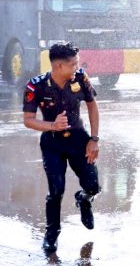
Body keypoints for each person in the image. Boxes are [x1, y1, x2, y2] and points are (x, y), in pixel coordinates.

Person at [23, 43, 100, 253]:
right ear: (58, 66)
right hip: (52, 144)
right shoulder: (35, 86)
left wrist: (94, 139)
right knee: (56, 190)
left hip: (78, 140)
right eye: (73, 64)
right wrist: (51, 126)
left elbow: (92, 106)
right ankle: (51, 235)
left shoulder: (80, 78)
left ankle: (83, 198)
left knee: (94, 186)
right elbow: (28, 120)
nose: (77, 66)